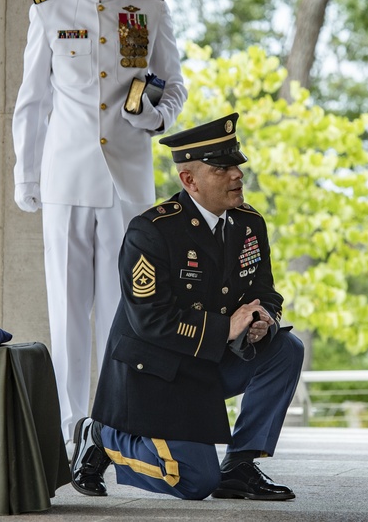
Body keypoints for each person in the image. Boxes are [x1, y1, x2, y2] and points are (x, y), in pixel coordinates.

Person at [11, 0, 188, 441]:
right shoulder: (50, 12)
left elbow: (175, 87)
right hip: (66, 181)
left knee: (127, 308)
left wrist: (154, 116)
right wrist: (27, 175)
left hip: (127, 184)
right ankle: (72, 429)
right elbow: (32, 102)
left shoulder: (150, 11)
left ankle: (118, 426)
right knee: (66, 311)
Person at [67, 113, 304, 501]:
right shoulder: (153, 231)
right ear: (189, 180)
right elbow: (150, 320)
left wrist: (263, 320)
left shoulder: (248, 223)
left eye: (237, 166)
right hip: (155, 373)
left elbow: (265, 290)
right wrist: (226, 328)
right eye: (223, 168)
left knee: (285, 349)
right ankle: (103, 436)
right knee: (195, 482)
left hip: (206, 361)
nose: (237, 176)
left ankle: (240, 466)